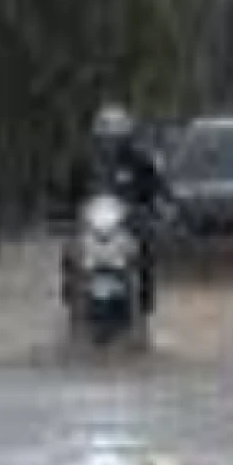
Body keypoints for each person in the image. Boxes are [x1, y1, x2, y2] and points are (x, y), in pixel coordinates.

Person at [62, 103, 168, 315]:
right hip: (93, 224)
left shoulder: (141, 161)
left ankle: (144, 301)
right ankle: (70, 294)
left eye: (116, 137)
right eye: (105, 138)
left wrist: (160, 207)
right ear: (96, 138)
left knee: (145, 249)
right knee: (71, 250)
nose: (110, 143)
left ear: (127, 137)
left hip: (130, 224)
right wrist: (62, 212)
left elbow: (158, 188)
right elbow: (69, 193)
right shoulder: (83, 162)